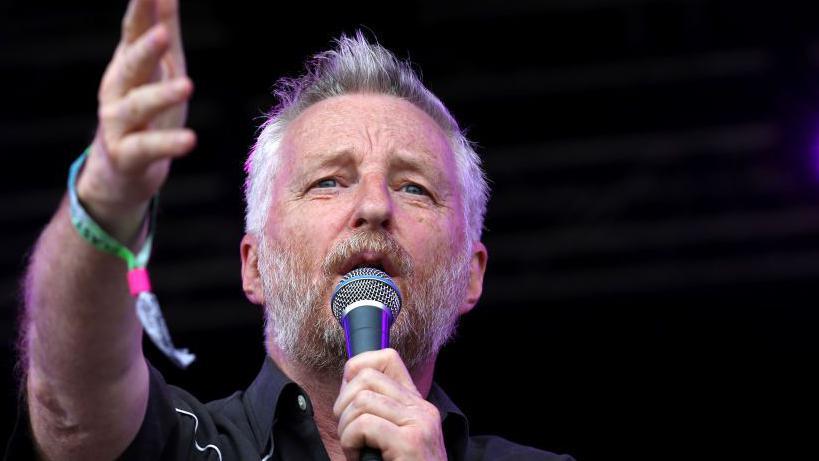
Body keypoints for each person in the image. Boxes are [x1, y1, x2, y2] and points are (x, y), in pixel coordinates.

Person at [6, 0, 575, 459]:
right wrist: (106, 195)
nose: (374, 205)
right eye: (329, 181)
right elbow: (69, 407)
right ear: (253, 265)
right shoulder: (187, 446)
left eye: (414, 188)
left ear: (472, 276)